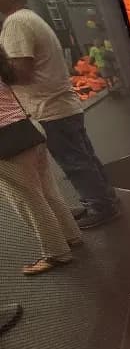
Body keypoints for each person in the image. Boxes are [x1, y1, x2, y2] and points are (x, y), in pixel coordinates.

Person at [0, 0, 120, 229]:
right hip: (60, 105)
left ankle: (100, 205)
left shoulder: (16, 23)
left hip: (50, 109)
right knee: (84, 157)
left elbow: (20, 72)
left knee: (75, 162)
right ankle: (102, 200)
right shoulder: (28, 19)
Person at [0, 46, 82, 274]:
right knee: (48, 191)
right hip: (28, 130)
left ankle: (57, 253)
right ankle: (71, 236)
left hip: (6, 142)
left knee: (29, 200)